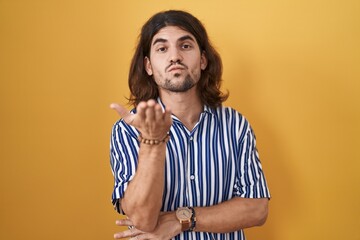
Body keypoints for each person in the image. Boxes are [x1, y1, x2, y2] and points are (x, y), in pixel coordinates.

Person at [109, 10, 270, 240]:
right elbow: (142, 219)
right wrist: (152, 142)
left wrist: (182, 220)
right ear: (148, 66)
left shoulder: (235, 125)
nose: (175, 57)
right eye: (162, 49)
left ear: (203, 60)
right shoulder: (127, 129)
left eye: (185, 46)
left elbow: (257, 208)